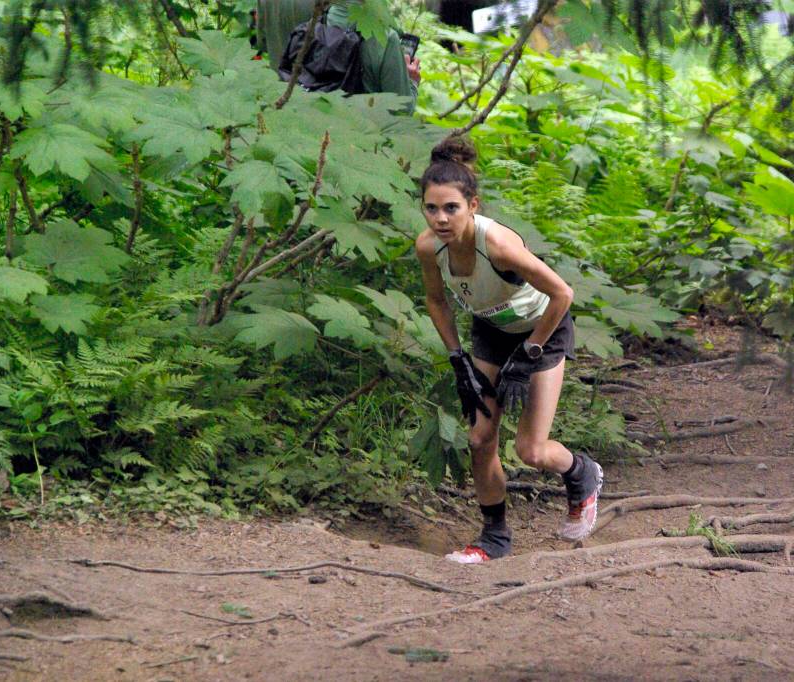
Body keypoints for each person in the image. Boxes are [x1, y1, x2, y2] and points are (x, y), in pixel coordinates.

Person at [414, 137, 604, 564]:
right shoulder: (428, 247)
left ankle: (581, 472)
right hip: (492, 331)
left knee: (531, 450)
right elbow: (436, 300)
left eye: (451, 208)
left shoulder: (496, 245)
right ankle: (494, 537)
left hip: (544, 330)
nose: (441, 219)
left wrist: (530, 355)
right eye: (431, 208)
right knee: (480, 438)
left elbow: (562, 294)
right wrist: (457, 357)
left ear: (473, 206)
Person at [255, 0, 421, 112]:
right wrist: (412, 82)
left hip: (294, 110)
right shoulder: (385, 38)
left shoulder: (316, 22)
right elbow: (401, 111)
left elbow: (261, 43)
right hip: (361, 145)